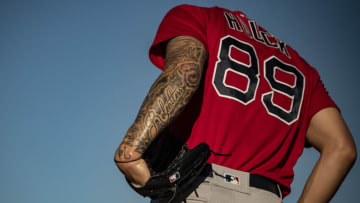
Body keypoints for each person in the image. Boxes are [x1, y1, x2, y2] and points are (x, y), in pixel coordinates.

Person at [114, 4, 357, 203]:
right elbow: (342, 148)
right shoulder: (303, 70)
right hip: (267, 196)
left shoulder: (198, 17)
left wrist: (130, 151)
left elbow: (184, 71)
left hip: (197, 188)